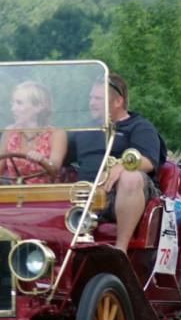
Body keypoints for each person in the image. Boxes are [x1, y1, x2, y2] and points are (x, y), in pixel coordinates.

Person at [70, 74, 166, 252]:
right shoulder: (84, 129)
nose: (91, 103)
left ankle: (120, 250)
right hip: (84, 195)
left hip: (122, 195)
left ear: (118, 102)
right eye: (91, 98)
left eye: (98, 98)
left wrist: (122, 166)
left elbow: (148, 161)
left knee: (131, 177)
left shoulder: (139, 127)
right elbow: (57, 156)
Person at [0, 81, 67, 184]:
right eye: (12, 104)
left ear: (39, 107)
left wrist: (42, 160)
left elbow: (54, 166)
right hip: (15, 195)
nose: (12, 109)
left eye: (19, 103)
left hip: (47, 195)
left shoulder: (57, 134)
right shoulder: (9, 132)